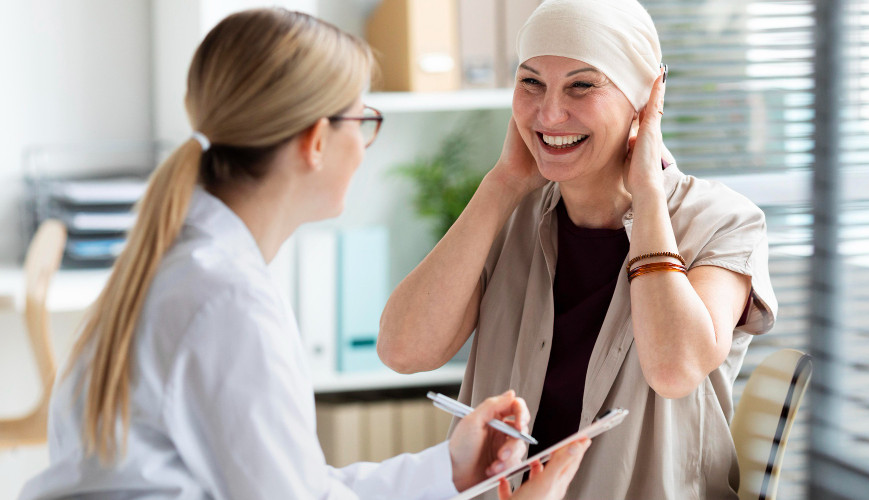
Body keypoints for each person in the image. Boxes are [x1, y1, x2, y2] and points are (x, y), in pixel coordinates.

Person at [18, 8, 590, 500]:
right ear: (316, 141)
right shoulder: (225, 303)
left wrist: (448, 469)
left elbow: (295, 485)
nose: (365, 148)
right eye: (363, 121)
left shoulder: (184, 266)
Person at [378, 0, 778, 498]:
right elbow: (403, 351)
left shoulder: (722, 221)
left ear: (643, 100)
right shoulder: (511, 214)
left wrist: (649, 197)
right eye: (531, 83)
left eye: (582, 85)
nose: (549, 113)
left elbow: (674, 370)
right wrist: (502, 183)